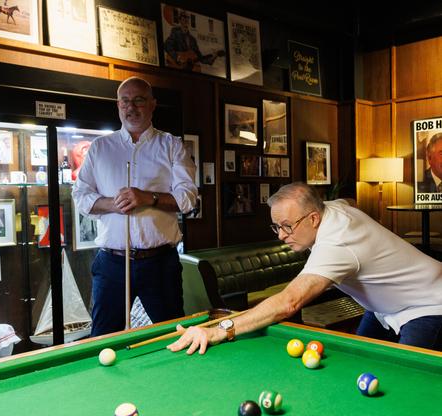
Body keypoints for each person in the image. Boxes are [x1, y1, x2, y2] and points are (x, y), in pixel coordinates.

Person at [168, 182, 442, 354]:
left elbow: (288, 303)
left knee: (411, 382)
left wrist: (218, 329)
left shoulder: (337, 243)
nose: (281, 235)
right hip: (384, 307)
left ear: (313, 218)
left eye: (287, 226)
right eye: (276, 226)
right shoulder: (329, 208)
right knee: (360, 361)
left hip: (428, 303)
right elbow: (348, 201)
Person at [72, 76, 198, 336]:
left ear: (152, 104)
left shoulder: (171, 145)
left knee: (174, 334)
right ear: (118, 105)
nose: (131, 107)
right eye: (124, 101)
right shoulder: (100, 148)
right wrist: (112, 204)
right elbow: (81, 196)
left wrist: (147, 198)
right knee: (104, 337)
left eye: (138, 101)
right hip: (112, 263)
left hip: (160, 262)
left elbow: (188, 199)